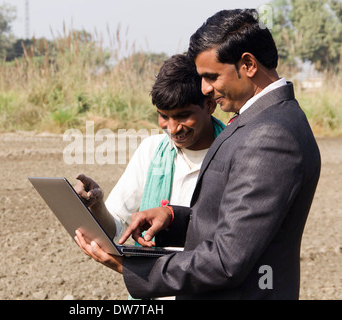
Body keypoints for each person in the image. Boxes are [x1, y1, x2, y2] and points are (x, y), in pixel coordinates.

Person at [75, 9, 321, 300]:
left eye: (211, 76)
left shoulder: (269, 135)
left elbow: (226, 260)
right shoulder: (265, 119)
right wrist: (172, 217)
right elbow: (235, 222)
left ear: (248, 64)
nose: (205, 88)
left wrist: (130, 266)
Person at [74, 53, 225, 243]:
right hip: (154, 271)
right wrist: (96, 206)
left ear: (210, 105)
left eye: (183, 116)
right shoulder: (152, 150)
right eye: (164, 116)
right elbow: (115, 227)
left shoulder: (235, 151)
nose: (172, 128)